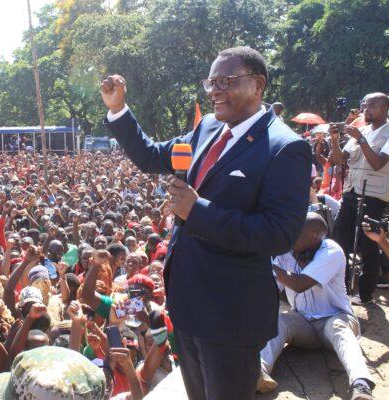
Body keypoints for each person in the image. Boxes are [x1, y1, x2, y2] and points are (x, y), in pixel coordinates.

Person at [100, 46, 312, 399]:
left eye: (227, 81)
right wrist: (118, 109)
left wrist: (197, 211)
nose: (215, 90)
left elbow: (280, 233)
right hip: (187, 304)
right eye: (212, 82)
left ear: (258, 84)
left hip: (231, 313)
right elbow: (153, 155)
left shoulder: (285, 147)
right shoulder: (209, 127)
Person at [259, 213, 374, 400]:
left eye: (297, 232)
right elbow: (271, 290)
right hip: (303, 323)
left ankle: (361, 385)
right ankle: (259, 371)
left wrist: (268, 265)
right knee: (278, 320)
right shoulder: (285, 254)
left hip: (336, 318)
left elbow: (299, 283)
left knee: (339, 328)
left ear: (314, 235)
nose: (291, 236)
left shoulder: (331, 251)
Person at [329, 93, 389, 304]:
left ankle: (365, 293)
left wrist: (360, 139)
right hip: (352, 192)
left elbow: (378, 163)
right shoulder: (362, 130)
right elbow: (339, 160)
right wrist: (334, 140)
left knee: (369, 245)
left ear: (385, 108)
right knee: (339, 241)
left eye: (371, 106)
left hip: (374, 196)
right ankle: (339, 289)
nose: (365, 110)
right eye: (364, 106)